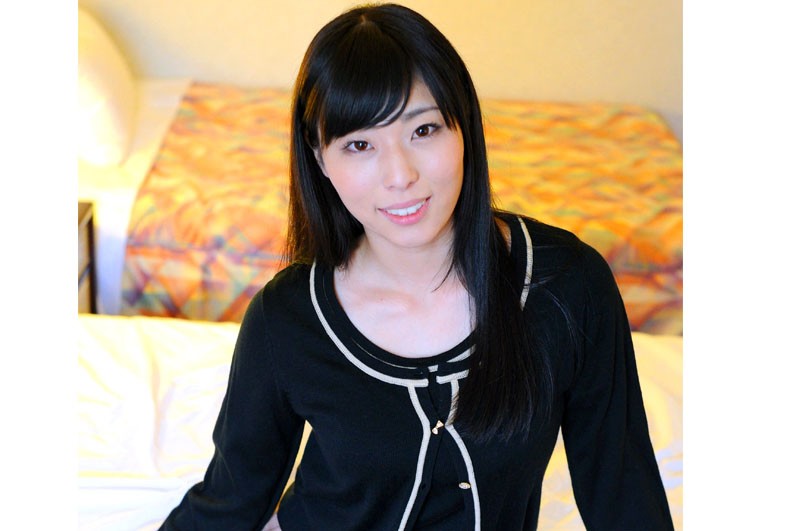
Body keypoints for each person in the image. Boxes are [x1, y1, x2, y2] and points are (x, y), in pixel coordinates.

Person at [160, 3, 674, 530]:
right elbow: (229, 499)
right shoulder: (287, 317)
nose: (400, 175)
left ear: (464, 126)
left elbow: (624, 493)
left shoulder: (566, 286)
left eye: (424, 130)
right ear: (320, 159)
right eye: (360, 145)